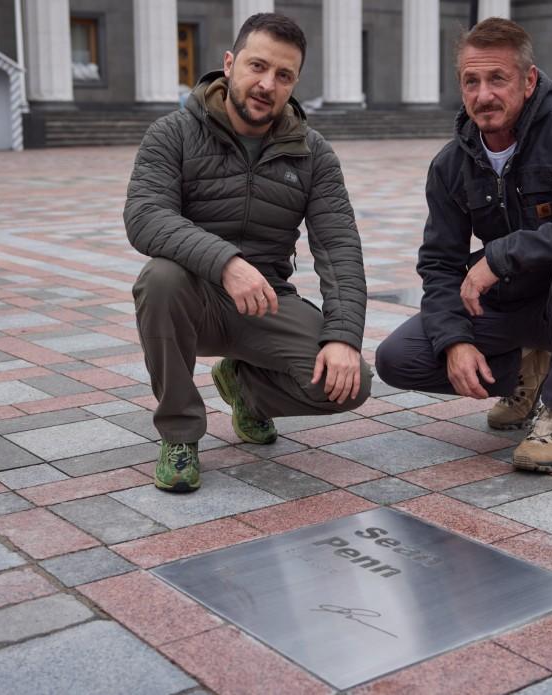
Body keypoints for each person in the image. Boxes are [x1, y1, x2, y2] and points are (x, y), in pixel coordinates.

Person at [124, 13, 371, 493]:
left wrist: (343, 336)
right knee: (159, 278)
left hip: (268, 302)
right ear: (230, 63)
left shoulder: (312, 152)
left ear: (295, 81)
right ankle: (179, 434)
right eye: (257, 66)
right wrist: (226, 263)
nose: (267, 84)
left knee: (350, 383)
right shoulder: (172, 133)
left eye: (284, 75)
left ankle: (246, 390)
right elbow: (145, 215)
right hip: (192, 296)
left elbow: (339, 245)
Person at [375, 18, 552, 474]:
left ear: (529, 81)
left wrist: (499, 256)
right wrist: (454, 343)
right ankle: (523, 375)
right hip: (507, 303)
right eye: (472, 81)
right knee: (397, 359)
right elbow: (439, 264)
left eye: (498, 79)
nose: (484, 94)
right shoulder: (452, 164)